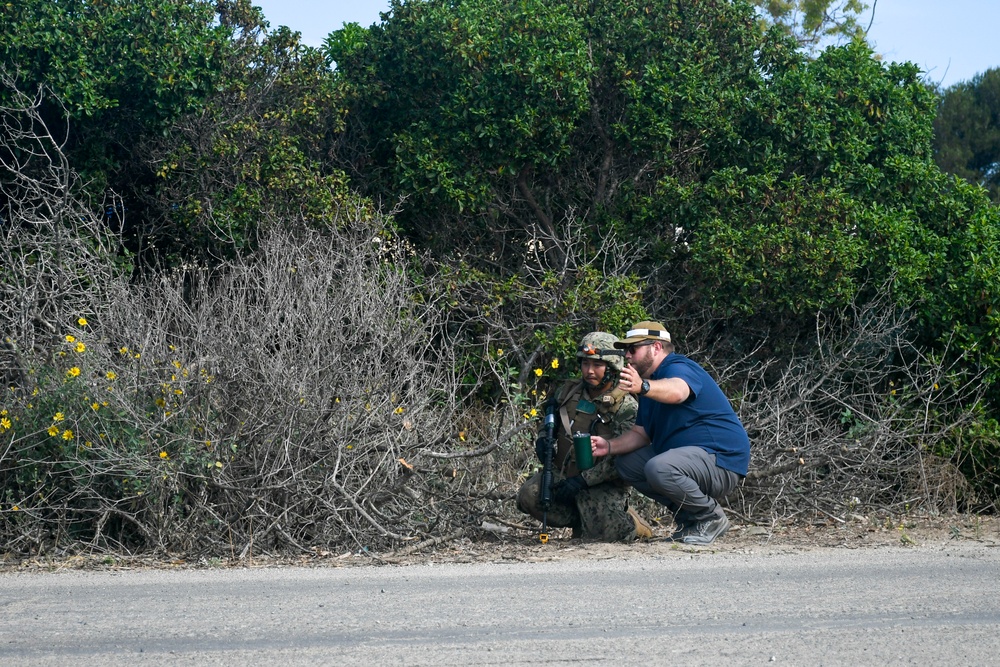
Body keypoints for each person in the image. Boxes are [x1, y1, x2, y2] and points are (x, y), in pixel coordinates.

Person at [590, 321, 750, 545]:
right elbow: (640, 434)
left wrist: (643, 387)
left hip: (721, 461)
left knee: (659, 467)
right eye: (626, 350)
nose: (627, 355)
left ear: (656, 347)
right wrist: (609, 446)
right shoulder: (651, 385)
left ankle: (711, 517)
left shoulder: (678, 367)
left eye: (633, 349)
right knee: (628, 463)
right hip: (690, 463)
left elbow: (678, 391)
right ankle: (690, 519)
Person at [517, 332, 653, 541]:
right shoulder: (567, 393)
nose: (589, 371)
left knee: (608, 534)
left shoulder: (625, 406)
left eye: (597, 365)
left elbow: (621, 459)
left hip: (600, 483)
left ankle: (634, 523)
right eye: (585, 363)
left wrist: (583, 481)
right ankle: (585, 521)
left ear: (612, 367)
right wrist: (543, 439)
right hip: (563, 474)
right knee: (530, 495)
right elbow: (550, 423)